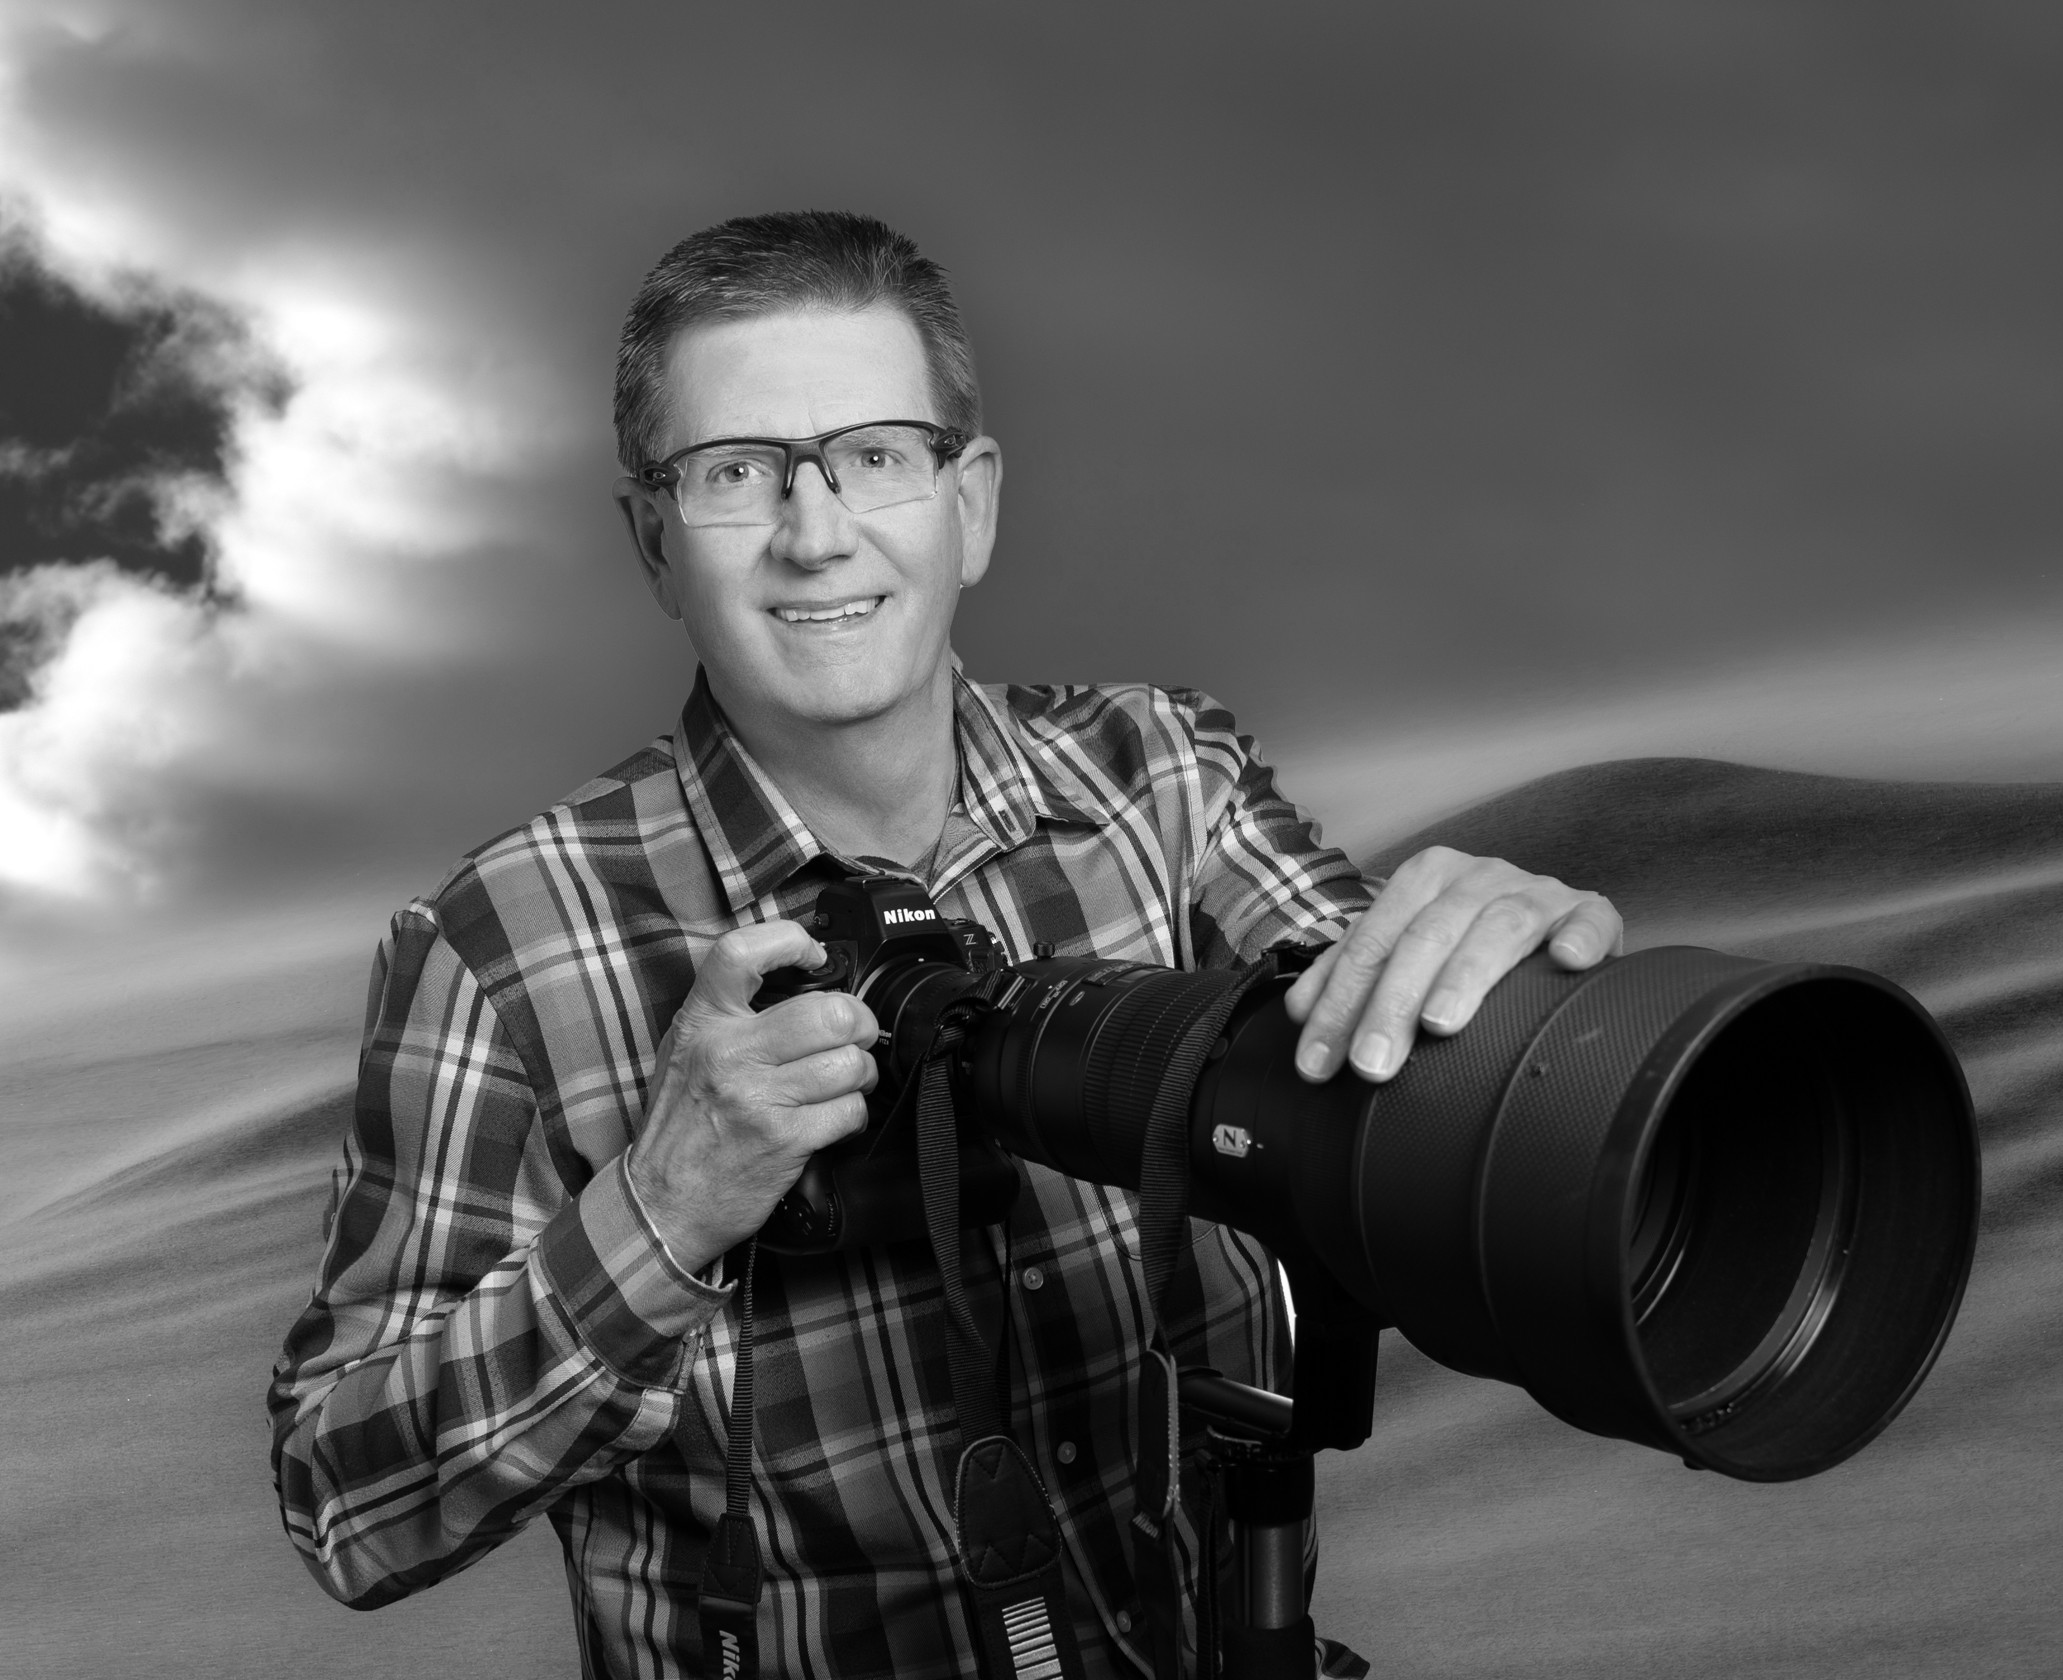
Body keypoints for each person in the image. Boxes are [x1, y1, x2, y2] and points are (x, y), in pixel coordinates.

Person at [269, 210, 1621, 1679]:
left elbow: (1395, 1062)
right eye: (737, 473)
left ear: (969, 504)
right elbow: (347, 1505)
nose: (815, 534)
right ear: (654, 541)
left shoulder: (1161, 782)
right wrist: (662, 1212)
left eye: (875, 456)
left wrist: (1507, 1003)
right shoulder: (501, 946)